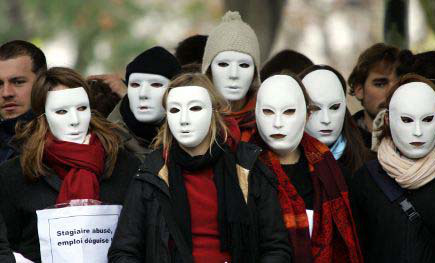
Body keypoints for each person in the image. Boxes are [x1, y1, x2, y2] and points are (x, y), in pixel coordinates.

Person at [108, 73, 291, 263]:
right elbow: (123, 252)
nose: (184, 120)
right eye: (175, 110)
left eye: (195, 108)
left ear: (214, 112)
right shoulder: (151, 173)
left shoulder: (247, 166)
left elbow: (276, 248)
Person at [0, 67, 141, 262]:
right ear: (43, 115)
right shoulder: (14, 175)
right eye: (61, 111)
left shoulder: (125, 165)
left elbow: (141, 237)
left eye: (82, 108)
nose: (75, 120)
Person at [251, 74, 362, 262]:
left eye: (289, 112)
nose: (278, 123)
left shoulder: (332, 175)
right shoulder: (242, 169)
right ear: (256, 113)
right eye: (268, 112)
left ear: (307, 115)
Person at [349, 74, 435, 263]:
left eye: (427, 119)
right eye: (407, 120)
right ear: (388, 120)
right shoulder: (365, 180)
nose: (418, 131)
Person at [107, 46, 181, 161]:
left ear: (174, 90)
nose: (142, 94)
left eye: (156, 85)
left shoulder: (194, 143)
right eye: (135, 85)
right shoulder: (104, 144)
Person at [300, 65, 371, 179]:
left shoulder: (371, 166)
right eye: (315, 108)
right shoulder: (285, 166)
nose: (326, 120)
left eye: (334, 107)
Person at [202, 11, 261, 142]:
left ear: (255, 73)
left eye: (244, 65)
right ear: (208, 70)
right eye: (223, 64)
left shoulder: (270, 121)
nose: (234, 74)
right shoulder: (189, 119)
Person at [0, 40, 47, 164]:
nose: (6, 93)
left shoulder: (68, 139)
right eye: (0, 84)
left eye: (18, 82)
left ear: (42, 83)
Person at [348, 43, 400, 148]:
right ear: (359, 90)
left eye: (400, 84)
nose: (392, 92)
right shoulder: (342, 145)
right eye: (380, 84)